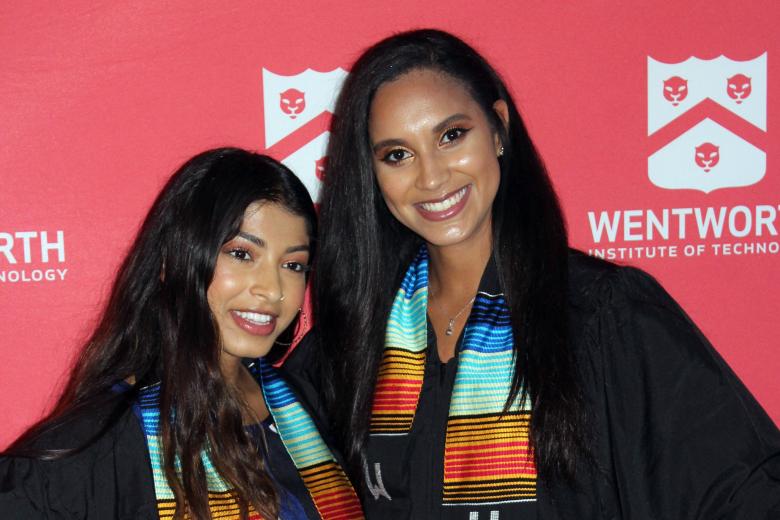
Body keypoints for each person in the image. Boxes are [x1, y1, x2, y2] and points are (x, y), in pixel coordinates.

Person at [309, 29, 780, 518]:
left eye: (452, 135)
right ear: (371, 172)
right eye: (397, 155)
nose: (431, 177)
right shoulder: (358, 337)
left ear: (497, 129)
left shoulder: (603, 316)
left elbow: (741, 494)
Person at [0, 148, 363, 520]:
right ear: (172, 260)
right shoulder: (101, 442)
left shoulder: (308, 401)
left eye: (293, 264)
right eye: (241, 254)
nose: (272, 289)